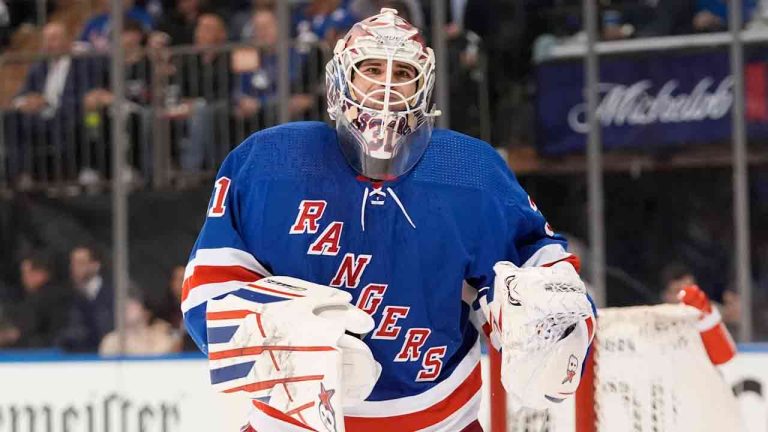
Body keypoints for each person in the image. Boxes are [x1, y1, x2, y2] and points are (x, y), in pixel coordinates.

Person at [182, 9, 594, 431]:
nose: (385, 86)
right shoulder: (269, 162)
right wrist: (288, 340)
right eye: (372, 68)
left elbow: (535, 272)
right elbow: (207, 296)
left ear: (424, 86)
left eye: (402, 73)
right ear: (342, 79)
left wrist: (551, 327)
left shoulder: (470, 171)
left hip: (439, 421)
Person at [99, 290, 179, 355]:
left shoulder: (162, 338)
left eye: (133, 302)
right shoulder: (112, 341)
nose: (126, 306)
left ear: (146, 312)